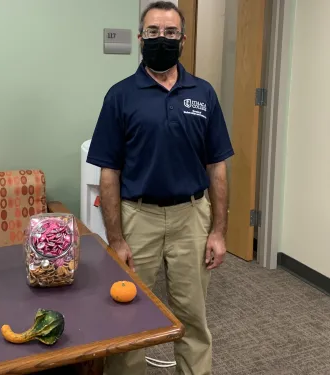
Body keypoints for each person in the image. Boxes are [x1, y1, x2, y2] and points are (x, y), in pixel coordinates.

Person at [86, 2, 234, 374]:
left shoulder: (203, 94)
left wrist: (218, 230)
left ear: (183, 41)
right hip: (138, 218)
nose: (161, 39)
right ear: (140, 39)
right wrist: (116, 239)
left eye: (170, 33)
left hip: (192, 219)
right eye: (152, 32)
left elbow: (217, 167)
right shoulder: (120, 96)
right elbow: (109, 174)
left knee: (193, 317)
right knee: (128, 317)